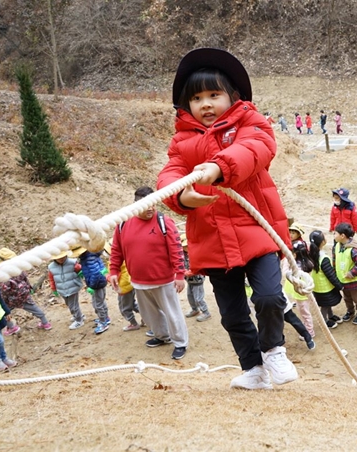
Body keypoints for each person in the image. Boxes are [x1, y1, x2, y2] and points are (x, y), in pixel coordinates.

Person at [157, 48, 297, 388]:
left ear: (233, 96)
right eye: (197, 98)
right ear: (186, 105)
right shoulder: (182, 141)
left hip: (258, 231)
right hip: (212, 239)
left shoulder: (251, 123)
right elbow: (170, 173)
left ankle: (274, 350)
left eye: (214, 95)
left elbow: (257, 148)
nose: (205, 104)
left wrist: (220, 166)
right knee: (232, 314)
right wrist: (179, 195)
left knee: (267, 297)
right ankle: (252, 368)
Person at [110, 187, 188, 360]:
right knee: (149, 313)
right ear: (136, 204)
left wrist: (180, 274)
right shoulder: (123, 223)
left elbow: (176, 248)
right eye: (146, 205)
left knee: (172, 313)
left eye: (153, 204)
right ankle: (162, 336)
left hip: (164, 279)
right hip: (138, 280)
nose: (151, 208)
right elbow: (117, 250)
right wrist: (114, 270)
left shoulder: (164, 221)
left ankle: (180, 342)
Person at [0, 248, 51, 333]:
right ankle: (45, 322)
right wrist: (29, 289)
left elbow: (4, 291)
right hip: (23, 295)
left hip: (10, 299)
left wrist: (2, 301)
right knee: (34, 308)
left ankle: (11, 327)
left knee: (3, 312)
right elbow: (25, 278)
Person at [104, 240, 142, 331]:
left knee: (124, 308)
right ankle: (146, 317)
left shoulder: (116, 261)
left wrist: (107, 277)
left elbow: (116, 275)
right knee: (132, 304)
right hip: (130, 284)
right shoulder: (125, 256)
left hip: (123, 287)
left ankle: (133, 323)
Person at [73, 245, 111, 335]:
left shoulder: (89, 259)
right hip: (99, 282)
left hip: (97, 284)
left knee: (97, 304)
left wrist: (92, 286)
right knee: (100, 301)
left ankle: (103, 322)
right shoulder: (88, 257)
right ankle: (105, 318)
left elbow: (95, 273)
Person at [308, 230, 343, 329]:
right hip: (325, 287)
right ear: (322, 242)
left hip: (318, 286)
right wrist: (339, 286)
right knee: (325, 305)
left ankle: (331, 316)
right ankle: (324, 321)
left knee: (327, 303)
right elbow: (330, 275)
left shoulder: (312, 254)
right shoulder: (323, 258)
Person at [333, 222, 357, 324]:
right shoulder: (337, 246)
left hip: (353, 280)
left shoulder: (353, 250)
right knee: (347, 297)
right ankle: (350, 311)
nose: (333, 235)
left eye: (335, 233)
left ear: (342, 236)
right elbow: (334, 259)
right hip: (342, 279)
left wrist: (352, 273)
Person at [282, 240, 315, 339]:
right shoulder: (308, 262)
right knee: (305, 311)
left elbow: (285, 272)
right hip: (305, 291)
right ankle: (308, 328)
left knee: (305, 312)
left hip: (301, 293)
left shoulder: (297, 267)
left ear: (295, 255)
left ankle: (310, 331)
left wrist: (287, 262)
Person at [48, 250, 84, 329]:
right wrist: (54, 289)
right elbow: (51, 278)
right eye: (59, 258)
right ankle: (78, 315)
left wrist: (80, 271)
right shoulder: (51, 267)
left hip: (73, 287)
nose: (61, 259)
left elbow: (80, 271)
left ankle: (79, 320)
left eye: (63, 256)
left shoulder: (72, 262)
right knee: (69, 304)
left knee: (73, 306)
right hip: (62, 289)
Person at [180, 234, 210, 322]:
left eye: (186, 246)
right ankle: (195, 309)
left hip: (198, 279)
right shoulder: (183, 255)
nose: (185, 248)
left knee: (198, 298)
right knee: (190, 296)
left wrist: (192, 272)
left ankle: (205, 312)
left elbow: (201, 265)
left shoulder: (196, 253)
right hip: (189, 280)